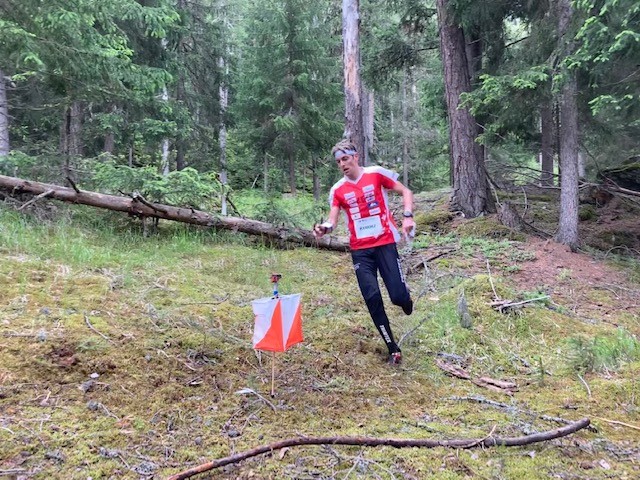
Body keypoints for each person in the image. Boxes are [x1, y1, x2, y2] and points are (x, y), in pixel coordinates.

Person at [314, 140, 415, 365]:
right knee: (372, 297)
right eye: (338, 162)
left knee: (398, 297)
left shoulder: (375, 174)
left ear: (356, 157)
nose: (342, 164)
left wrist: (408, 216)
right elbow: (332, 220)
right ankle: (392, 348)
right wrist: (324, 228)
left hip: (385, 243)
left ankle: (405, 298)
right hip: (360, 251)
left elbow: (405, 191)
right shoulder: (337, 190)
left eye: (345, 159)